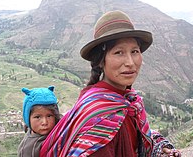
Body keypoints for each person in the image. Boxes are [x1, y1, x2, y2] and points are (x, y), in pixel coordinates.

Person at [39, 10, 181, 157]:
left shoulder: (128, 101)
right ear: (101, 60)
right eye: (119, 52)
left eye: (135, 51)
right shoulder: (103, 121)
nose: (130, 63)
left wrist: (157, 145)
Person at [18, 86, 60, 157]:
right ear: (28, 119)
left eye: (49, 116)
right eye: (37, 117)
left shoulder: (61, 129)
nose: (44, 122)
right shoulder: (28, 149)